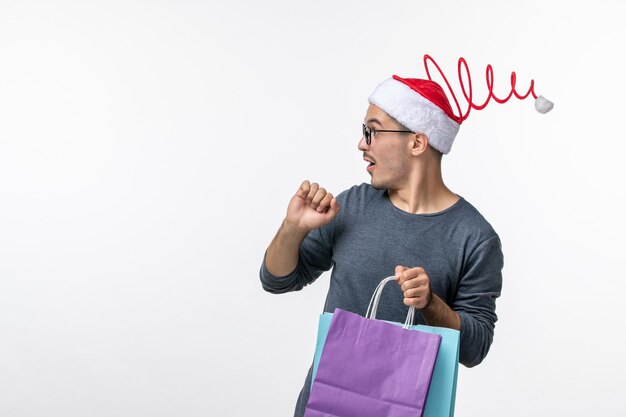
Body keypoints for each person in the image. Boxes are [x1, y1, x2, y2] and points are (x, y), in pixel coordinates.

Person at [259, 72, 504, 417]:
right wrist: (292, 228)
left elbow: (476, 347)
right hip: (327, 406)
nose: (362, 144)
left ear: (417, 142)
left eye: (372, 131)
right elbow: (277, 280)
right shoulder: (353, 205)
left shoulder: (475, 237)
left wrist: (430, 303)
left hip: (410, 408)